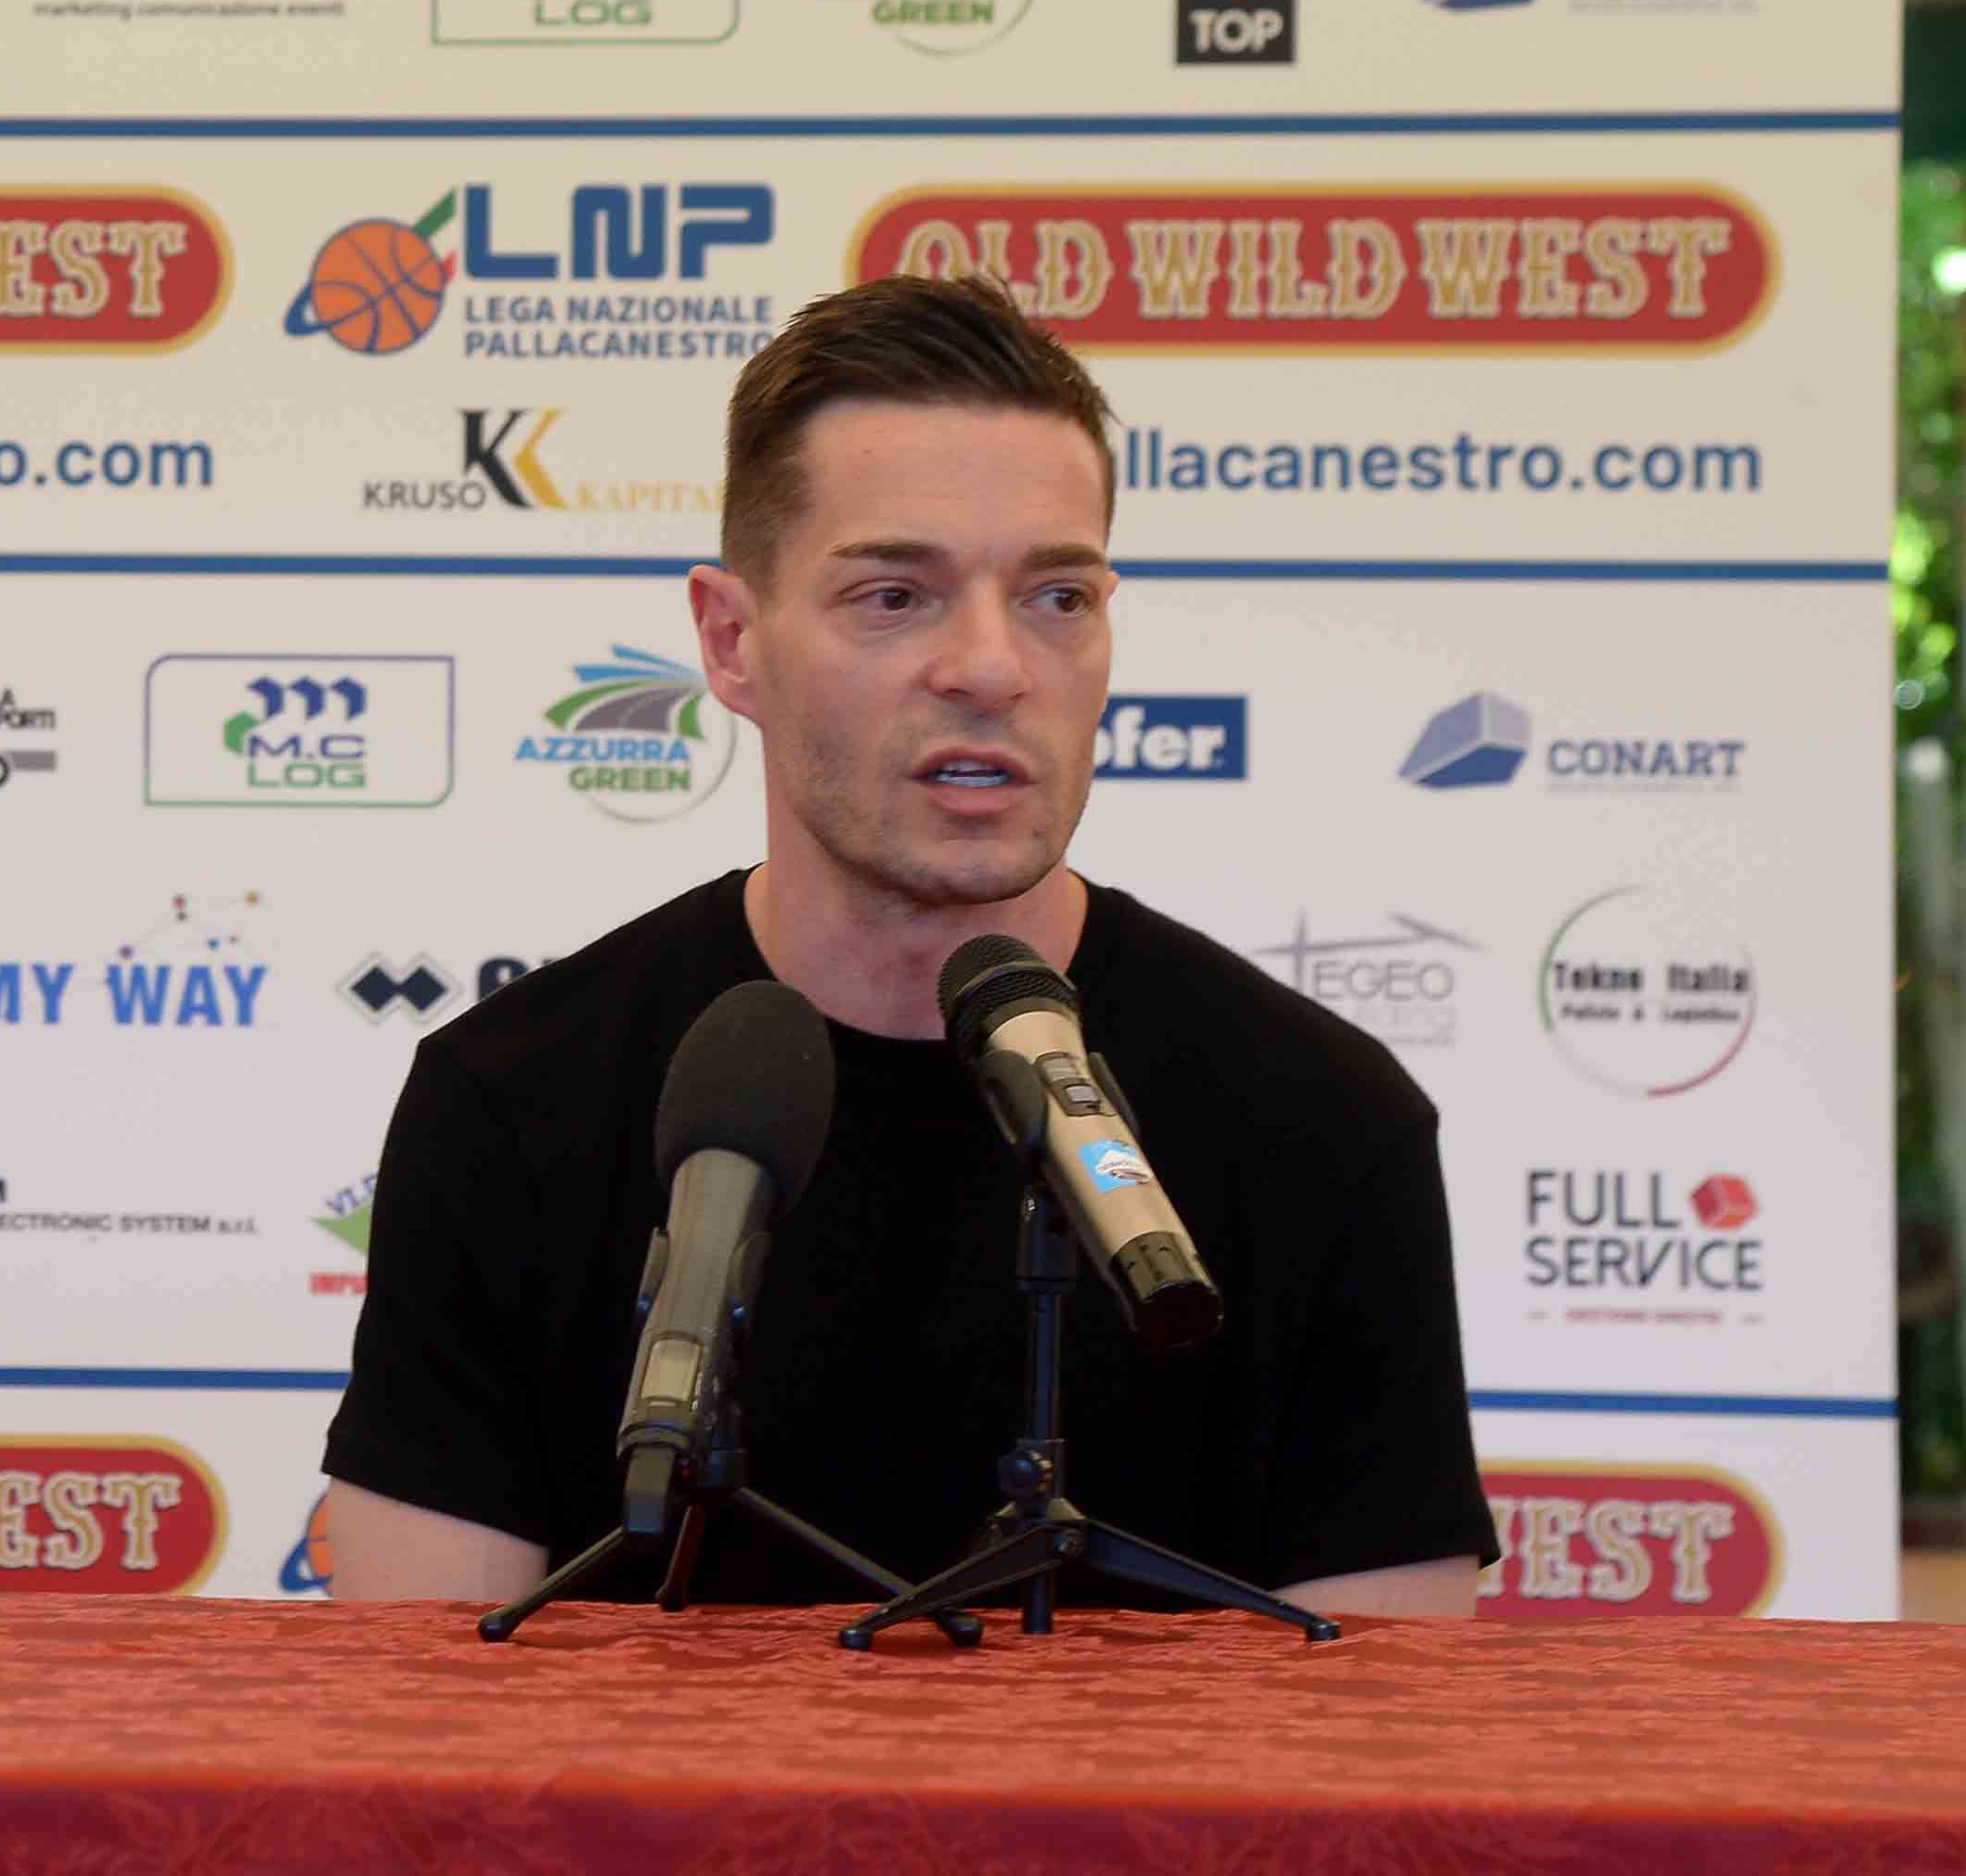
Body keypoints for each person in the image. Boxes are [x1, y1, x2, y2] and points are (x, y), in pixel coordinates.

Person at [322, 276, 1497, 1617]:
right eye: (895, 596)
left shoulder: (1325, 1123)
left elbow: (1390, 1724)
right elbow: (425, 1706)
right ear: (731, 641)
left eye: (1059, 597)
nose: (993, 668)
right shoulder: (509, 1100)